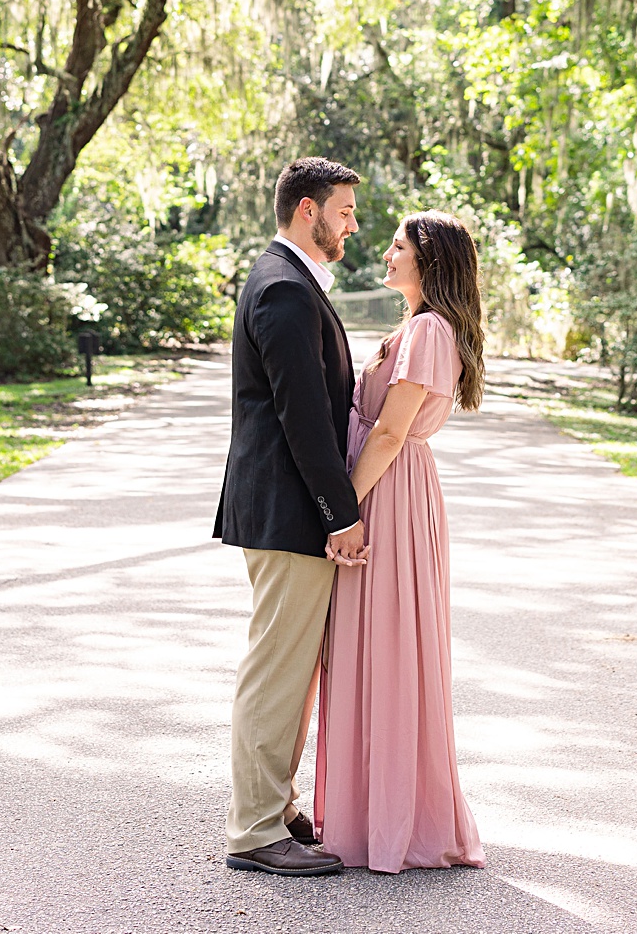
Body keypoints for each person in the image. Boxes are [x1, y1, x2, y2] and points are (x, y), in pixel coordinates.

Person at [316, 210, 486, 873]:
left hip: (388, 495)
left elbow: (389, 433)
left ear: (429, 261)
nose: (386, 255)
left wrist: (343, 509)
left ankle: (394, 821)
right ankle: (370, 815)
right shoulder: (420, 328)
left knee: (385, 648)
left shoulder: (428, 332)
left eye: (398, 248)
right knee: (370, 648)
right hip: (390, 490)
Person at [213, 156, 368, 878]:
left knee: (292, 669)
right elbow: (303, 418)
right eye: (343, 211)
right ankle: (252, 832)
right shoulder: (283, 290)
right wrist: (341, 514)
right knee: (276, 671)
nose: (352, 225)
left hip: (286, 508)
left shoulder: (292, 282)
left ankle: (277, 807)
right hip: (288, 510)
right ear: (308, 210)